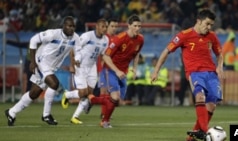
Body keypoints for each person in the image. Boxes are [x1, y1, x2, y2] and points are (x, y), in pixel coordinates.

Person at [150, 9, 223, 141]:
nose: (209, 27)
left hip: (211, 73)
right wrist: (156, 70)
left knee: (212, 105)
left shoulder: (212, 36)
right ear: (199, 21)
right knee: (199, 97)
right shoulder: (184, 35)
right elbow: (166, 51)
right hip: (195, 73)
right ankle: (207, 133)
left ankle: (192, 136)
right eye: (207, 24)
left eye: (211, 25)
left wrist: (220, 66)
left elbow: (219, 54)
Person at [5, 16, 81, 126]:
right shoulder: (52, 34)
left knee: (34, 93)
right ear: (63, 26)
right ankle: (46, 115)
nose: (72, 28)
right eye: (69, 26)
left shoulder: (75, 38)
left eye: (73, 26)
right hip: (41, 62)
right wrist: (32, 61)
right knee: (54, 84)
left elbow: (78, 51)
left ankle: (11, 112)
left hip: (51, 67)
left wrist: (77, 59)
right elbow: (33, 40)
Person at [72, 14, 143, 128]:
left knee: (118, 102)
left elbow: (137, 53)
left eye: (139, 26)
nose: (138, 28)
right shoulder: (119, 39)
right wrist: (116, 71)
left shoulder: (140, 39)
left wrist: (134, 68)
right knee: (113, 96)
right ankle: (105, 121)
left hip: (123, 73)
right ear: (129, 26)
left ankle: (92, 100)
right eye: (135, 26)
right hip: (110, 70)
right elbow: (105, 56)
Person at [61, 18, 109, 124]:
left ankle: (75, 117)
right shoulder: (87, 36)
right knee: (83, 93)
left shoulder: (106, 40)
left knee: (90, 93)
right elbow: (73, 48)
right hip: (80, 65)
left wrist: (102, 69)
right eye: (103, 26)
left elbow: (102, 55)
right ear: (97, 26)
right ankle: (68, 95)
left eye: (106, 27)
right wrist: (72, 64)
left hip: (92, 67)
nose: (105, 29)